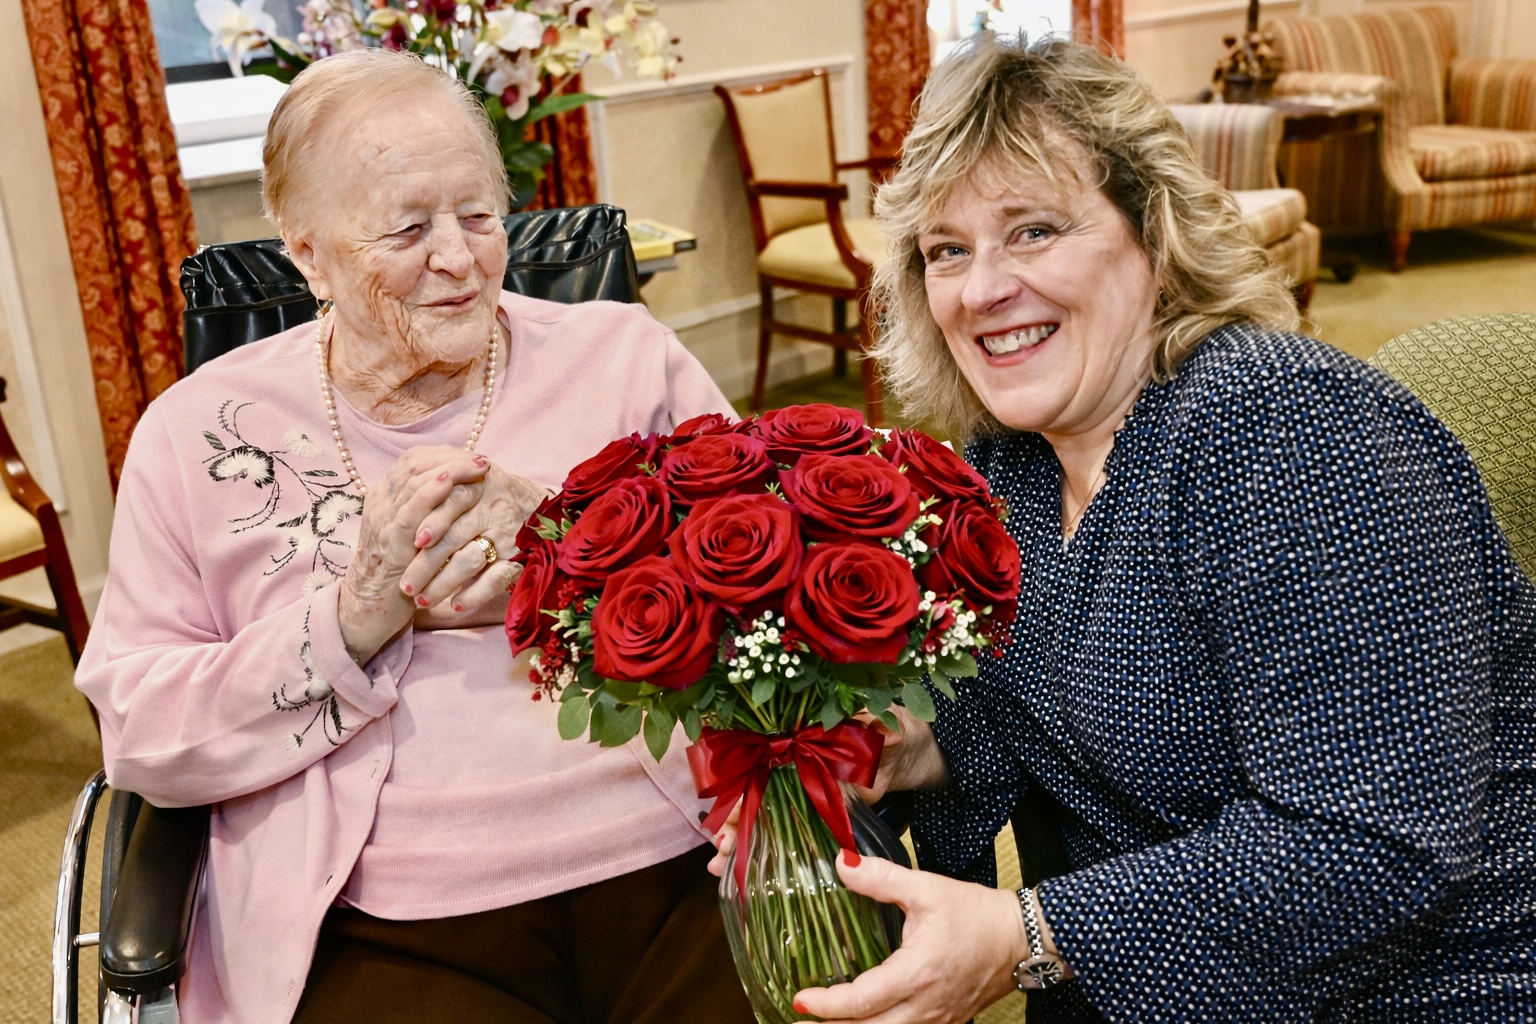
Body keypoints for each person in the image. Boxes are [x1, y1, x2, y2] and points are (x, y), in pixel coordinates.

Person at [716, 33, 1536, 1024]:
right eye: (947, 250)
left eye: (1033, 231)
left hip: (1433, 987)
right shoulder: (1007, 464)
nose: (980, 291)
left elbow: (1368, 849)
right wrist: (916, 750)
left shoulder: (1293, 433)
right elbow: (1042, 715)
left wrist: (1032, 936)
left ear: (1154, 232)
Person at [76, 48, 754, 1024]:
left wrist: (571, 553)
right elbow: (140, 730)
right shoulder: (200, 433)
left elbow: (777, 592)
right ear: (305, 252)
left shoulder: (623, 357)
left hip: (682, 862)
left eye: (480, 216)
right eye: (406, 229)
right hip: (390, 913)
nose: (459, 257)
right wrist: (350, 620)